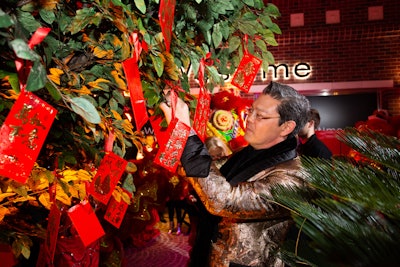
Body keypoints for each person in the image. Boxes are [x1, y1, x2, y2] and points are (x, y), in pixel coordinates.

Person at [160, 81, 310, 267]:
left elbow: (224, 200)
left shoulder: (294, 177)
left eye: (261, 116)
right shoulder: (245, 154)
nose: (250, 119)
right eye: (251, 111)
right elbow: (202, 173)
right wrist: (177, 126)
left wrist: (186, 131)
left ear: (286, 127)